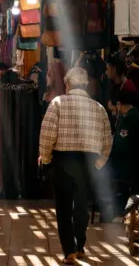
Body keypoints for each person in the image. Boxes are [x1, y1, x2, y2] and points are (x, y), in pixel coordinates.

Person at [39, 67, 112, 265]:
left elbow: (47, 135)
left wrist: (45, 159)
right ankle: (80, 246)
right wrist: (98, 163)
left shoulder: (58, 104)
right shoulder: (98, 108)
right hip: (88, 162)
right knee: (82, 206)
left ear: (67, 83)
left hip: (63, 160)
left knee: (63, 208)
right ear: (86, 85)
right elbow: (107, 140)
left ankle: (69, 251)